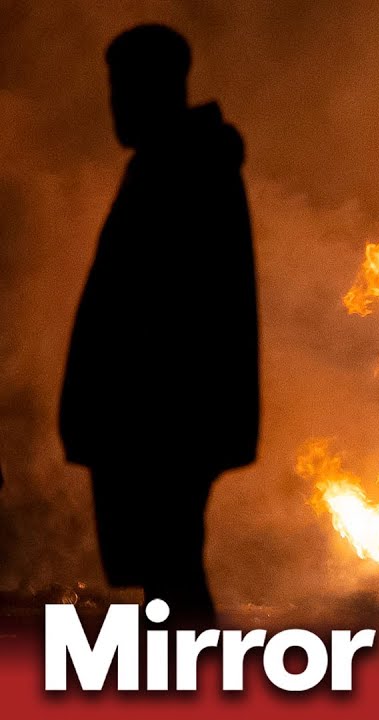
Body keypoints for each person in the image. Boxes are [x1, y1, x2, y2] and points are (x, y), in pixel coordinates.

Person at [60, 24, 259, 627]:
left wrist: (122, 405)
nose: (115, 105)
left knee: (171, 574)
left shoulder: (182, 170)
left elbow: (167, 313)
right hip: (158, 420)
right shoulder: (176, 164)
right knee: (167, 573)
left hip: (163, 419)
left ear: (157, 88)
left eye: (123, 89)